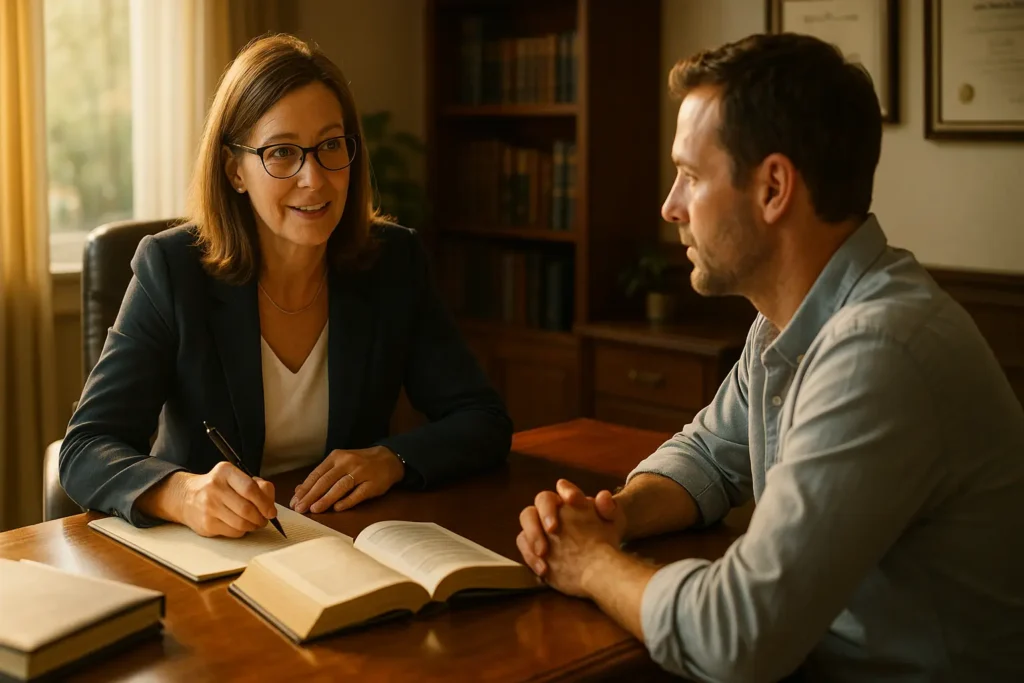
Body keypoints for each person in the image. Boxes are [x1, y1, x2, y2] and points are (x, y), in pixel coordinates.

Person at [517, 32, 1024, 682]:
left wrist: (590, 562)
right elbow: (707, 455)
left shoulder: (881, 349)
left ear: (774, 187)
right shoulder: (790, 319)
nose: (669, 206)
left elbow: (738, 637)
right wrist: (614, 515)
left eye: (691, 177)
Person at [60, 34, 512, 539]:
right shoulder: (172, 269)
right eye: (281, 153)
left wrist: (393, 459)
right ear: (235, 170)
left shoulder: (393, 263)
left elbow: (483, 418)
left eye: (330, 145)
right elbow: (85, 448)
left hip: (346, 543)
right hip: (211, 552)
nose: (313, 179)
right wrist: (183, 494)